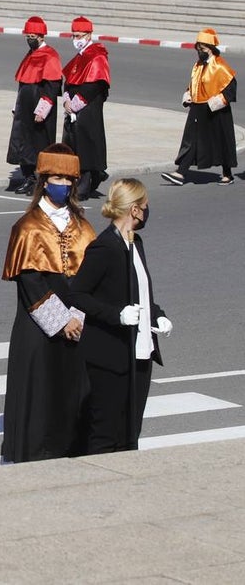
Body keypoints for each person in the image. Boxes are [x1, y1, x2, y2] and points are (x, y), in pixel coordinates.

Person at [0, 145, 94, 463]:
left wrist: (78, 316)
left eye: (69, 179)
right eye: (57, 177)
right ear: (43, 180)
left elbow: (92, 277)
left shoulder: (82, 225)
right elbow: (30, 283)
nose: (64, 185)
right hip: (38, 325)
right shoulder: (27, 227)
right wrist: (61, 320)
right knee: (39, 394)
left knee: (72, 391)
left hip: (76, 321)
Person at [70, 179, 170, 454]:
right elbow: (77, 293)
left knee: (131, 430)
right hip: (111, 356)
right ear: (135, 210)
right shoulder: (105, 247)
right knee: (106, 431)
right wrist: (117, 315)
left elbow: (140, 292)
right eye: (146, 206)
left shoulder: (135, 243)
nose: (147, 211)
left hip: (140, 353)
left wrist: (157, 315)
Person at [162, 28, 238, 186]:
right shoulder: (198, 65)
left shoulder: (220, 67)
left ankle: (227, 174)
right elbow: (194, 84)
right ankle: (180, 173)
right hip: (197, 109)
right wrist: (188, 95)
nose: (199, 52)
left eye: (202, 49)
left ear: (210, 49)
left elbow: (230, 91)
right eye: (198, 48)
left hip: (215, 112)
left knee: (221, 141)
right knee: (192, 140)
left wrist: (215, 103)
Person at [7, 16, 62, 195]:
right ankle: (28, 178)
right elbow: (24, 83)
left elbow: (52, 86)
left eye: (32, 36)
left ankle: (40, 181)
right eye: (27, 36)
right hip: (25, 106)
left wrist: (43, 109)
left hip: (39, 108)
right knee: (23, 143)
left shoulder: (50, 55)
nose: (29, 39)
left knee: (39, 144)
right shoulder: (30, 54)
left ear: (41, 36)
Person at [62, 16, 111, 199]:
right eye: (73, 36)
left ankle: (84, 185)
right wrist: (67, 99)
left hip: (88, 109)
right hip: (73, 109)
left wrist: (75, 104)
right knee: (74, 145)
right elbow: (69, 81)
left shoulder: (97, 56)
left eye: (79, 36)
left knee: (86, 146)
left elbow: (94, 85)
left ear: (89, 35)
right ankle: (86, 178)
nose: (76, 40)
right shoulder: (79, 57)